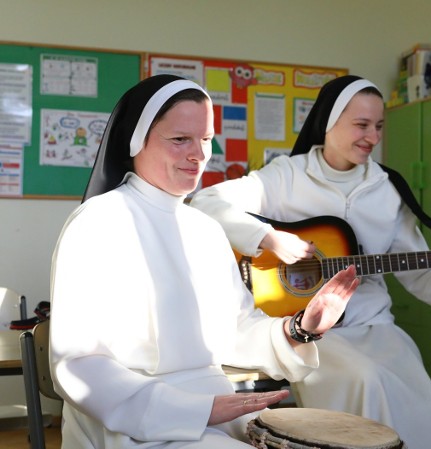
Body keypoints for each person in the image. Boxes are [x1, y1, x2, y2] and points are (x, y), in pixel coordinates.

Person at [49, 74, 360, 449]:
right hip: (130, 422)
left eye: (206, 139)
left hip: (218, 410)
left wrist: (300, 328)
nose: (199, 154)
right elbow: (79, 364)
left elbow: (237, 330)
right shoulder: (99, 223)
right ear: (135, 140)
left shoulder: (206, 229)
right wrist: (192, 411)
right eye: (180, 139)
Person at [190, 75, 431, 449]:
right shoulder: (286, 175)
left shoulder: (388, 189)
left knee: (428, 409)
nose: (373, 136)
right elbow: (205, 202)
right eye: (361, 125)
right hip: (311, 330)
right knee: (366, 382)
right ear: (329, 122)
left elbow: (419, 275)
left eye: (379, 126)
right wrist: (266, 238)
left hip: (375, 325)